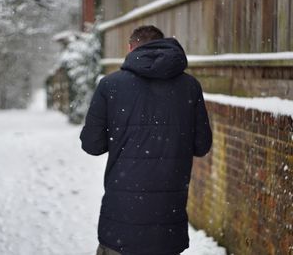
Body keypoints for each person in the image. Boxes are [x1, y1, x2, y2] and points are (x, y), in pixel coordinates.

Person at [79, 25, 212, 255]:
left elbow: (92, 145)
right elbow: (202, 145)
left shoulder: (110, 85)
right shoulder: (190, 87)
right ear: (164, 46)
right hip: (167, 221)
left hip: (121, 220)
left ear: (130, 48)